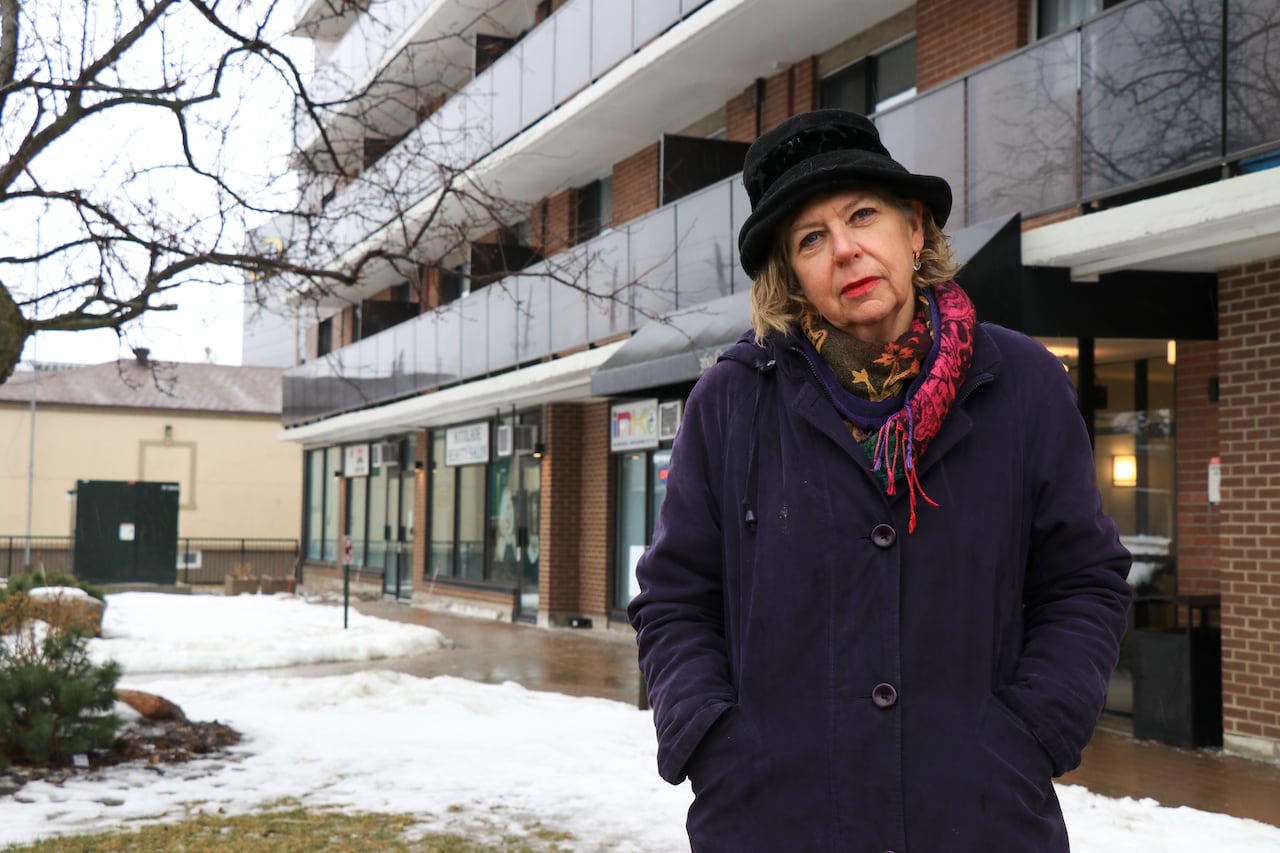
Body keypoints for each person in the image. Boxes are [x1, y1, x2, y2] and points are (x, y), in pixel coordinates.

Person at [627, 109, 1132, 852]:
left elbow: (1084, 581)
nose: (845, 249)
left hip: (980, 818)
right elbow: (674, 601)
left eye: (862, 214)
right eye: (811, 238)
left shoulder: (1022, 382)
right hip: (774, 822)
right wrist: (714, 743)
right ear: (790, 274)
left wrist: (1031, 732)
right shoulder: (732, 401)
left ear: (915, 228)